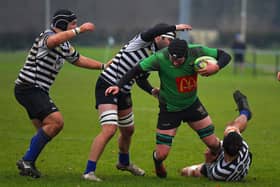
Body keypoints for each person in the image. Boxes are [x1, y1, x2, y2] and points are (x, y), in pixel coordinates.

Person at [105, 39, 232, 178]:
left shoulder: (196, 51)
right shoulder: (160, 57)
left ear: (187, 53)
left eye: (180, 60)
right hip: (169, 109)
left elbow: (225, 55)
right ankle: (157, 163)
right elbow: (136, 70)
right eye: (173, 58)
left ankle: (215, 165)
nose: (175, 62)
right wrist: (118, 84)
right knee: (161, 155)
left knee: (214, 144)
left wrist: (217, 66)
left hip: (192, 105)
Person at [83, 23, 192, 181]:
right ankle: (89, 172)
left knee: (128, 130)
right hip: (107, 84)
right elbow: (155, 29)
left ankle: (124, 163)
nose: (170, 45)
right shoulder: (141, 41)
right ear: (158, 38)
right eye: (169, 40)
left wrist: (151, 91)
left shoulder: (155, 54)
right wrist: (175, 27)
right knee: (109, 129)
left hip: (124, 90)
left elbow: (140, 78)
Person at [14, 9, 106, 178]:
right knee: (56, 122)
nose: (75, 26)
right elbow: (52, 41)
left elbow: (78, 59)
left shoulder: (64, 44)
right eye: (72, 24)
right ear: (62, 24)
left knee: (44, 128)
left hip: (35, 89)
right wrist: (80, 30)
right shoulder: (47, 36)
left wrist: (103, 66)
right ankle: (26, 161)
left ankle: (28, 163)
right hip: (29, 87)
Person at [181, 90, 252, 181]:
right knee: (232, 127)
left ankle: (189, 170)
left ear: (224, 148)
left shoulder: (219, 172)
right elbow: (232, 139)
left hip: (225, 169)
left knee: (186, 172)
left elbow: (210, 172)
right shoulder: (243, 147)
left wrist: (208, 160)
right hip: (238, 159)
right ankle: (246, 112)